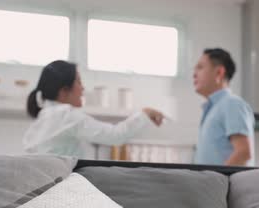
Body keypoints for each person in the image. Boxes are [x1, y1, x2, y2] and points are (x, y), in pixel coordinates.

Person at [23, 60, 164, 158]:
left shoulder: (43, 118)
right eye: (78, 81)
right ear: (64, 90)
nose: (83, 88)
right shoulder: (66, 116)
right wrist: (145, 113)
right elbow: (116, 135)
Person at [192, 48, 255, 166]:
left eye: (200, 67)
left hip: (219, 184)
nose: (194, 74)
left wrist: (213, 182)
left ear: (219, 72)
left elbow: (243, 153)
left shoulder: (232, 104)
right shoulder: (213, 109)